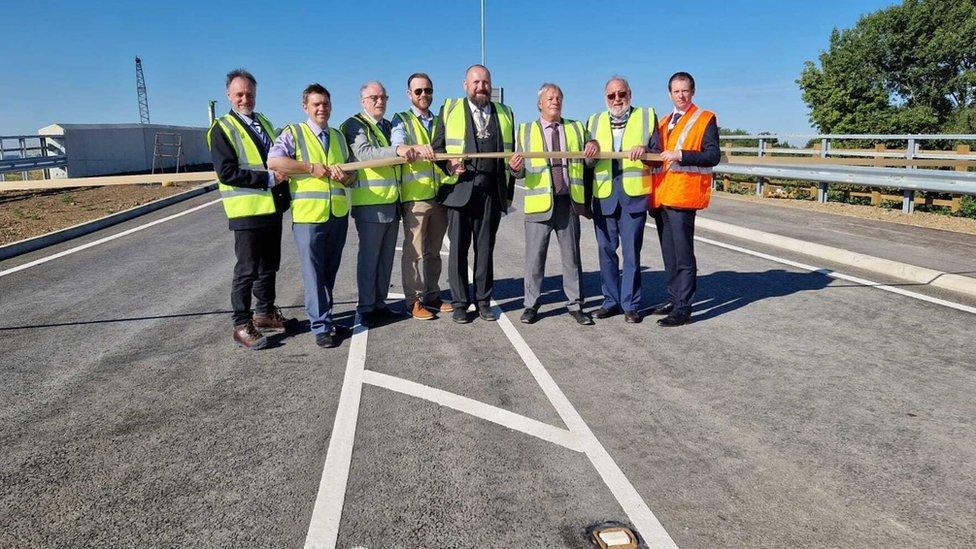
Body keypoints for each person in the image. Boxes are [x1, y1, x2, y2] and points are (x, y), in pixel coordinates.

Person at [207, 68, 293, 350]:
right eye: (240, 94)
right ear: (229, 96)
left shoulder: (264, 122)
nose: (246, 99)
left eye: (250, 94)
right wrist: (268, 179)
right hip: (246, 210)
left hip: (271, 207)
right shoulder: (222, 128)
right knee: (246, 270)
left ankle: (265, 312)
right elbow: (227, 172)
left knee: (269, 266)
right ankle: (242, 324)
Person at [267, 83, 354, 348]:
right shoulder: (294, 133)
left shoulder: (338, 136)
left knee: (329, 272)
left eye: (325, 104)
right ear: (305, 106)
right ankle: (321, 326)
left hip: (337, 214)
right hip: (308, 217)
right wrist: (309, 167)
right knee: (313, 274)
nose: (321, 108)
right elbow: (274, 162)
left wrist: (345, 176)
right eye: (316, 104)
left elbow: (352, 175)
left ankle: (325, 317)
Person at [508, 83, 598, 326]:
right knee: (534, 259)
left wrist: (594, 147)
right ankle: (531, 305)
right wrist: (514, 168)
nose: (555, 101)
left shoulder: (577, 128)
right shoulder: (525, 130)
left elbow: (591, 158)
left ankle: (576, 305)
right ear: (540, 103)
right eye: (550, 98)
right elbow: (518, 172)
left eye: (558, 97)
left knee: (572, 257)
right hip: (539, 205)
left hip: (568, 202)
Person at [431, 64, 515, 323]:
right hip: (460, 190)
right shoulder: (450, 109)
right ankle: (459, 303)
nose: (481, 87)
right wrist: (447, 164)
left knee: (485, 249)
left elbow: (512, 151)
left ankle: (483, 301)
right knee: (458, 250)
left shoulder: (505, 112)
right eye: (476, 82)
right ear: (465, 85)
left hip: (491, 191)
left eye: (485, 82)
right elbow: (437, 148)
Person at [340, 81, 417, 327]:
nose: (379, 101)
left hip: (391, 203)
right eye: (374, 97)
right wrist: (398, 151)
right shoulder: (353, 125)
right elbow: (365, 154)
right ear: (363, 101)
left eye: (383, 97)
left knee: (385, 260)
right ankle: (365, 307)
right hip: (370, 204)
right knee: (369, 260)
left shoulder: (387, 126)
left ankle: (380, 303)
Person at [586, 76, 661, 324]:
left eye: (621, 94)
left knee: (631, 255)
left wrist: (646, 152)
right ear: (605, 97)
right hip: (605, 196)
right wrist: (591, 152)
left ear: (630, 94)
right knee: (606, 253)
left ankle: (630, 304)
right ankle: (610, 301)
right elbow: (587, 162)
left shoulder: (647, 116)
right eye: (611, 95)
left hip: (633, 196)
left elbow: (658, 156)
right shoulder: (594, 122)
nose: (617, 99)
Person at [650, 72, 720, 326]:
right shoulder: (663, 121)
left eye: (685, 91)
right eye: (676, 91)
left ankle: (683, 307)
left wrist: (681, 154)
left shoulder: (704, 119)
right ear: (670, 94)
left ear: (693, 92)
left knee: (683, 254)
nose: (681, 95)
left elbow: (712, 156)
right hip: (662, 196)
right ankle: (673, 297)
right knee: (669, 254)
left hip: (684, 195)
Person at [391, 73, 452, 320]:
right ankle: (413, 300)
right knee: (414, 252)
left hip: (439, 195)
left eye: (427, 90)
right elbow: (399, 146)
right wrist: (415, 149)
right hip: (415, 196)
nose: (424, 95)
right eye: (418, 91)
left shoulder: (439, 121)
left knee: (434, 251)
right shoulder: (402, 119)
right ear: (409, 94)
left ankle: (432, 295)